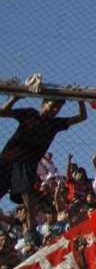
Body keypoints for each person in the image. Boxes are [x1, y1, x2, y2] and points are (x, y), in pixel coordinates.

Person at [0, 96, 86, 242]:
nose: (54, 110)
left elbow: (82, 116)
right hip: (8, 159)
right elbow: (3, 112)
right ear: (43, 104)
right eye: (52, 106)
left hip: (26, 164)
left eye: (58, 108)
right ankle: (10, 221)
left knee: (27, 197)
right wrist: (15, 97)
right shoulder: (29, 114)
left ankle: (31, 233)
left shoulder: (54, 124)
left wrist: (80, 100)